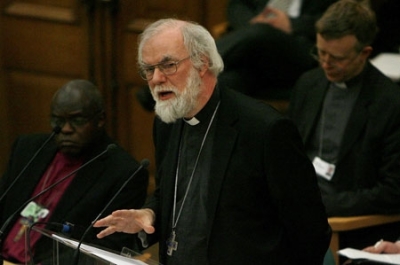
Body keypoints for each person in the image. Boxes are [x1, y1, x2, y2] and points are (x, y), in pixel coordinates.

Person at [93, 18, 331, 265]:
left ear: (202, 62)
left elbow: (310, 232)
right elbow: (172, 194)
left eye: (168, 65)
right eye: (148, 70)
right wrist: (150, 213)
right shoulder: (167, 122)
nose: (156, 79)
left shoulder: (265, 130)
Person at [289, 0, 400, 252]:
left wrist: (328, 204)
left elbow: (393, 191)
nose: (326, 63)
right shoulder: (309, 84)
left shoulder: (390, 103)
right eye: (321, 53)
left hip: (347, 220)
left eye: (337, 58)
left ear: (365, 53)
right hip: (297, 205)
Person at [0, 79, 149, 264]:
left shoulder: (123, 173)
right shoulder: (28, 148)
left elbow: (105, 249)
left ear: (100, 120)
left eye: (77, 121)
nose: (66, 129)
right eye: (58, 120)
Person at [215, 0, 337, 98]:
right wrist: (252, 23)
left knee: (262, 31)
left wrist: (292, 24)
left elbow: (339, 18)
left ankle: (200, 60)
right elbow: (237, 4)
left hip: (299, 51)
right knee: (222, 83)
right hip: (254, 52)